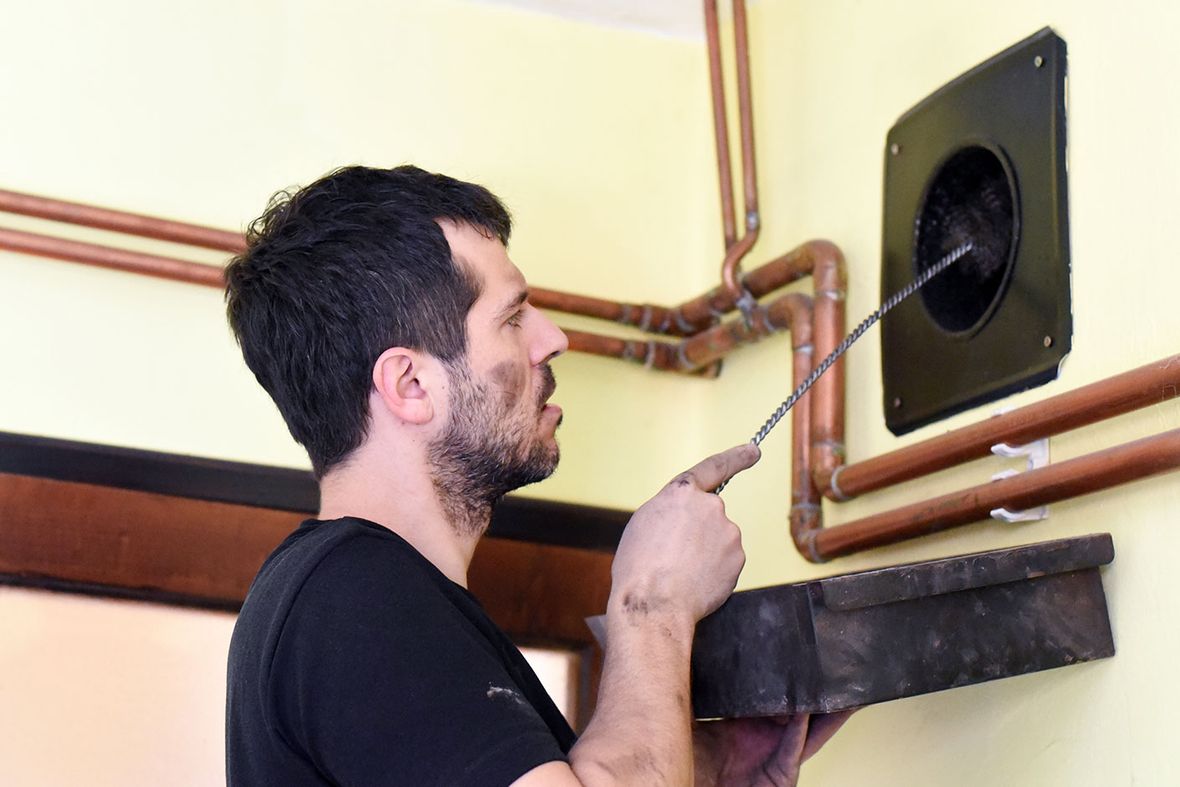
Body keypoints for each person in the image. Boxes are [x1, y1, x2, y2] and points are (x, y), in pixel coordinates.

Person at [224, 165, 848, 786]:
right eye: (513, 316)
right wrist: (653, 602)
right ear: (411, 385)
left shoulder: (346, 601)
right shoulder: (355, 599)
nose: (553, 339)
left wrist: (709, 767)